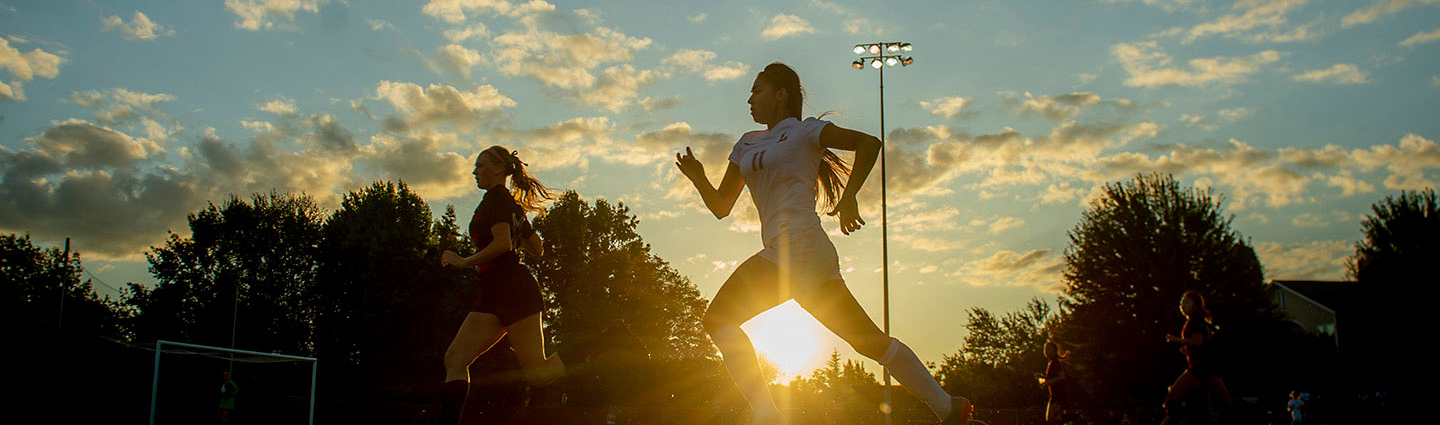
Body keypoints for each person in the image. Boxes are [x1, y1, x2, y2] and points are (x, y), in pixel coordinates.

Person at [674, 62, 972, 425]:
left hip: (798, 246)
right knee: (868, 341)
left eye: (758, 90)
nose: (750, 98)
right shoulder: (746, 143)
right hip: (799, 256)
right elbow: (722, 207)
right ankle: (948, 407)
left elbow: (869, 143)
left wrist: (849, 198)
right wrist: (699, 178)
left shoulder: (806, 132)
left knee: (718, 319)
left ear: (781, 94)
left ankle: (766, 415)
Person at [438, 146, 564, 425]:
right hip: (495, 291)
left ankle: (588, 353)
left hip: (514, 290)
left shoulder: (496, 199)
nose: (475, 171)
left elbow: (503, 245)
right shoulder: (508, 204)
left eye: (480, 166)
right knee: (455, 358)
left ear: (497, 169)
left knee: (538, 375)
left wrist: (463, 261)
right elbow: (537, 247)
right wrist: (519, 220)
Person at [1160, 290, 1233, 424]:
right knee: (1224, 402)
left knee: (1172, 400)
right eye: (1182, 303)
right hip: (1205, 367)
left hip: (1200, 368)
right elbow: (1202, 343)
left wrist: (1177, 340)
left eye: (1187, 302)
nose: (1182, 305)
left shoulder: (1196, 321)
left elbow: (1198, 341)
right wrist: (1187, 350)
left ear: (1195, 305)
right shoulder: (1194, 321)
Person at [1034, 342, 1067, 424]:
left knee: (1053, 419)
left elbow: (1061, 376)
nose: (1046, 351)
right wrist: (1043, 377)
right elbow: (1052, 377)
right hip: (1054, 394)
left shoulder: (1055, 362)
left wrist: (1047, 383)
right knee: (1053, 418)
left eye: (1048, 349)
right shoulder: (1050, 363)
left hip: (1059, 394)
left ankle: (1076, 417)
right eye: (1045, 349)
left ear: (1054, 351)